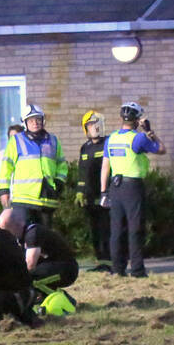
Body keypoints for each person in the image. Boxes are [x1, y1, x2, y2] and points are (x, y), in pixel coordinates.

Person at [101, 102, 165, 278]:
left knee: (116, 230)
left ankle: (117, 269)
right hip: (133, 187)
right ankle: (137, 270)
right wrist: (151, 133)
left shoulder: (111, 138)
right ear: (137, 120)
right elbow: (161, 149)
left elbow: (105, 166)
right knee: (135, 228)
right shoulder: (138, 138)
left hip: (115, 186)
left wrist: (103, 191)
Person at [0, 103, 68, 231]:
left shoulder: (53, 141)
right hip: (24, 200)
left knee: (44, 239)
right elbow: (6, 167)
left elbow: (62, 164)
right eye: (31, 120)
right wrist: (4, 191)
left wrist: (59, 182)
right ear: (25, 122)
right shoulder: (16, 141)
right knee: (23, 236)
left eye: (38, 119)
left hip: (47, 199)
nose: (35, 123)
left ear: (43, 120)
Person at [0, 210, 79, 316]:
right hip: (54, 267)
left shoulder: (33, 233)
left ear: (15, 225)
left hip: (67, 270)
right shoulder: (21, 237)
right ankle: (44, 300)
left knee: (28, 278)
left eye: (5, 230)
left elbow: (29, 265)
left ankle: (64, 299)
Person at [75, 109, 112, 272]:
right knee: (95, 231)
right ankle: (100, 262)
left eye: (97, 124)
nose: (95, 127)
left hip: (106, 196)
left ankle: (110, 263)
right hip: (90, 198)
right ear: (86, 128)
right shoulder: (85, 148)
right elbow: (82, 171)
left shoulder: (109, 143)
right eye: (91, 124)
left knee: (107, 231)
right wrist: (80, 191)